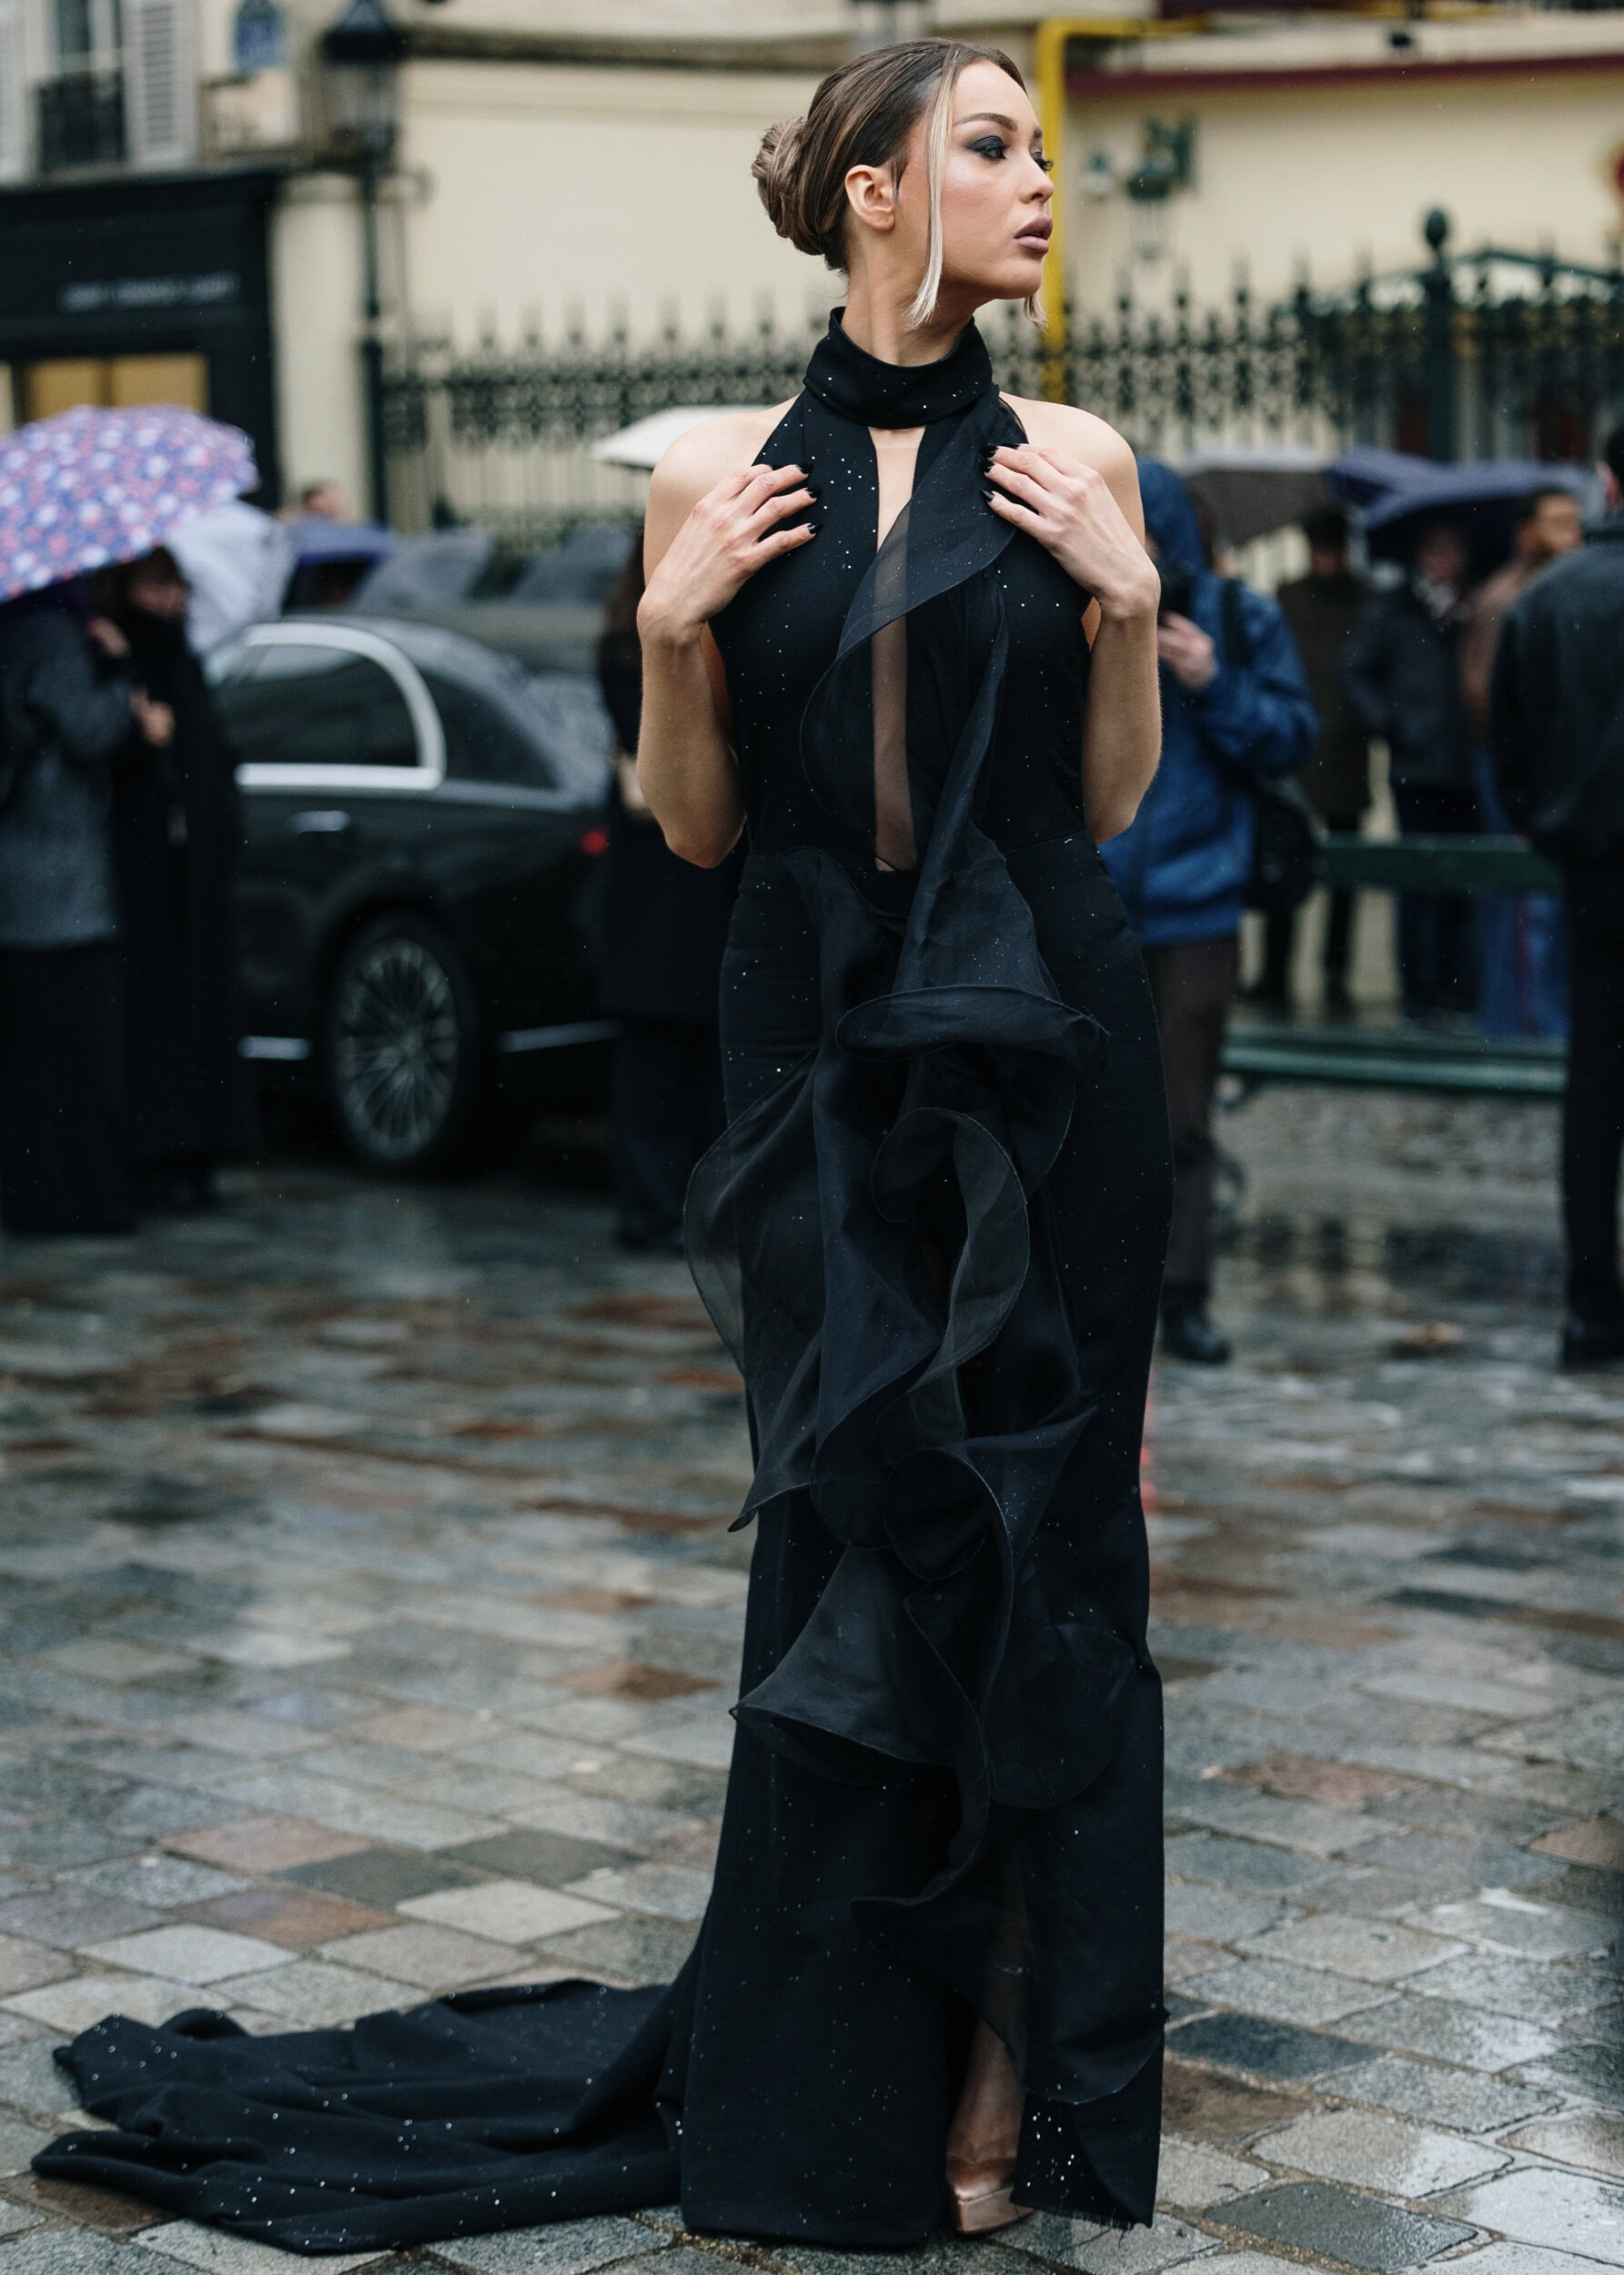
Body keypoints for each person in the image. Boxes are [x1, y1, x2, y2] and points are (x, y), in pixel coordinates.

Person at [37, 37, 1175, 2253]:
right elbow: (689, 821)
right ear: (870, 192)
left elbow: (1106, 807)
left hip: (1048, 1050)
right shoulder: (714, 476)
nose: (1044, 181)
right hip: (815, 1052)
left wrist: (1125, 603)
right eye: (993, 148)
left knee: (1048, 1548)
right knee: (852, 1536)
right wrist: (670, 634)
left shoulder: (1084, 454)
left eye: (1039, 148)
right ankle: (855, 2037)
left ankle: (1021, 2049)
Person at [1491, 404, 1624, 1384]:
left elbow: (1508, 751)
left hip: (1587, 875)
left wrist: (1554, 823)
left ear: (1606, 484)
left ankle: (1591, 1309)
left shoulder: (1543, 599)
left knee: (1595, 1096)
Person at [1099, 460, 1316, 1367]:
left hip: (1196, 906)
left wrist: (1210, 678)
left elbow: (1291, 734)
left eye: (1142, 529)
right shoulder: (1080, 612)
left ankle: (1181, 1295)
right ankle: (1096, 1288)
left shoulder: (1236, 616)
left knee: (1181, 1116)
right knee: (1092, 1110)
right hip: (1094, 903)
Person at [0, 581, 168, 1234]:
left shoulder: (14, 633)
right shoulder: (50, 634)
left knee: (36, 1053)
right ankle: (76, 1199)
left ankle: (36, 1195)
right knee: (75, 1054)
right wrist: (123, 677)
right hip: (58, 875)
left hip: (25, 872)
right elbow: (88, 729)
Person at [96, 548, 254, 1210]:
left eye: (174, 587)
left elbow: (214, 754)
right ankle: (157, 1156)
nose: (168, 602)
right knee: (153, 1015)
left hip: (197, 872)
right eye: (154, 587)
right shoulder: (114, 661)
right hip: (145, 875)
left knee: (200, 1013)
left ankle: (200, 1152)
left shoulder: (185, 666)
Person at [596, 532, 737, 1250]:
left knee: (703, 1058)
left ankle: (690, 1212)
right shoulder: (629, 642)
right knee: (657, 1059)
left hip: (696, 880)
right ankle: (654, 1212)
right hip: (657, 875)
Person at [1342, 518, 1479, 1022]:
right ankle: (1419, 989)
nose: (1446, 561)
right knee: (1418, 881)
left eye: (1453, 549)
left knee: (1463, 884)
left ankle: (1458, 988)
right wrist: (1394, 726)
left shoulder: (1471, 608)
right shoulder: (1395, 609)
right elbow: (1355, 672)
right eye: (1437, 549)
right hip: (1418, 766)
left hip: (1464, 764)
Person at [1460, 487, 1582, 1041]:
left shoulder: (1567, 590)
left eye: (1575, 523)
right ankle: (1526, 1029)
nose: (1571, 536)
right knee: (1526, 908)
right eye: (1557, 523)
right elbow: (1483, 696)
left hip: (1559, 771)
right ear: (1526, 532)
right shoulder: (1505, 598)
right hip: (1525, 774)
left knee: (1551, 906)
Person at [1261, 504, 1371, 1013]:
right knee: (1287, 864)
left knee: (1340, 874)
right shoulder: (1289, 597)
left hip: (1344, 754)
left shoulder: (1364, 600)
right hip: (1301, 755)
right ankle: (1277, 971)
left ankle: (1333, 971)